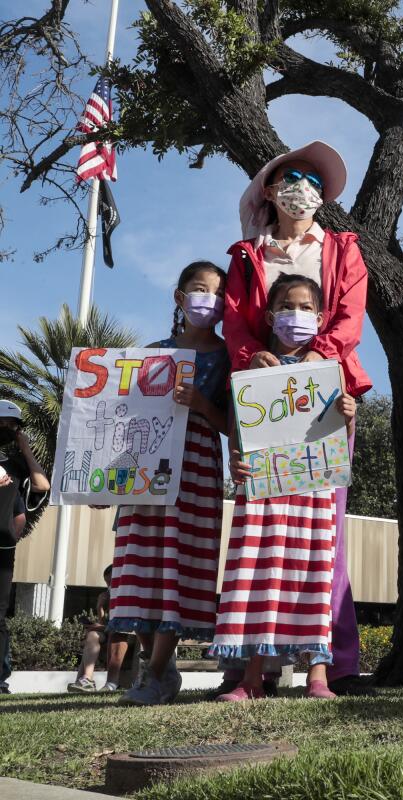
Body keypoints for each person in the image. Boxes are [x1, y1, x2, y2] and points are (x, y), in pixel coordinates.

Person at [220, 140, 371, 696]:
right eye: (290, 176)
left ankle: (334, 662)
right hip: (266, 400)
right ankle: (249, 668)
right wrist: (252, 358)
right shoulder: (247, 255)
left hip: (329, 398)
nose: (302, 185)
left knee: (324, 533)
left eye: (312, 178)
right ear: (269, 190)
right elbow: (236, 322)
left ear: (323, 195)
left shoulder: (342, 249)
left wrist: (316, 357)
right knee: (261, 531)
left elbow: (351, 315)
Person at [210, 274, 357, 701]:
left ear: (321, 316)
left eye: (306, 308)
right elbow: (239, 426)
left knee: (314, 573)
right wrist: (236, 459)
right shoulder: (251, 369)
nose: (297, 315)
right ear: (271, 316)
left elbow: (343, 430)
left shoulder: (330, 370)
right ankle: (251, 679)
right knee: (258, 574)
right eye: (288, 307)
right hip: (262, 490)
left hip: (314, 489)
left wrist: (348, 411)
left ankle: (318, 676)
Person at [107, 261, 231, 706]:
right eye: (200, 290)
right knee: (141, 566)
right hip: (146, 465)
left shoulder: (229, 356)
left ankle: (155, 674)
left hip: (197, 465)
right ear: (179, 298)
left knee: (179, 566)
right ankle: (158, 669)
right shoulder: (152, 352)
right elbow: (122, 422)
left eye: (218, 294)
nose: (208, 301)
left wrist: (200, 403)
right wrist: (107, 485)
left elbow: (237, 427)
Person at [0, 399, 49, 694]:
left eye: (12, 426)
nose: (6, 430)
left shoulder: (16, 464)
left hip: (3, 548)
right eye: (2, 424)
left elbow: (42, 485)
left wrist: (26, 448)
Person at [67, 565, 131, 693]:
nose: (109, 586)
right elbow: (105, 623)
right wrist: (100, 608)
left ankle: (82, 680)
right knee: (92, 635)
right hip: (111, 632)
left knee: (96, 634)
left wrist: (102, 627)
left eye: (111, 582)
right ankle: (86, 679)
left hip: (125, 635)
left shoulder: (126, 594)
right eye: (107, 583)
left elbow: (123, 626)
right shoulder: (110, 596)